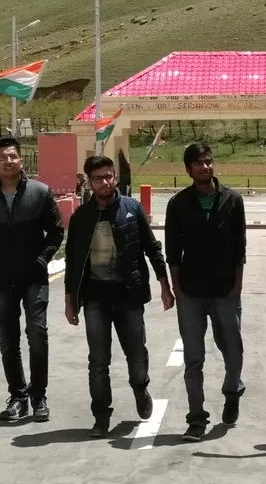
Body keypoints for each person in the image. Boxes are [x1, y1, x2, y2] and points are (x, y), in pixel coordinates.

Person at [63, 155, 175, 438]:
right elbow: (73, 261)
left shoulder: (132, 209)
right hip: (95, 299)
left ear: (115, 178)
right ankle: (101, 416)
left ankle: (140, 388)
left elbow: (152, 248)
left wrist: (164, 284)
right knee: (98, 361)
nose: (105, 182)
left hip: (129, 296)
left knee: (136, 355)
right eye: (99, 178)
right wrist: (70, 301)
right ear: (89, 182)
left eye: (109, 176)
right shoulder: (81, 217)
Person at [0, 137, 65, 422]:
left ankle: (39, 396)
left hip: (33, 277)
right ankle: (18, 397)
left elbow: (56, 232)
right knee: (8, 341)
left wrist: (41, 260)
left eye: (13, 156)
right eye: (3, 157)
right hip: (2, 279)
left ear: (21, 160)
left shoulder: (40, 192)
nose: (8, 161)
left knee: (37, 334)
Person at [165, 142, 247, 442]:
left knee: (233, 352)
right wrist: (176, 289)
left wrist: (237, 286)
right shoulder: (178, 204)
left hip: (226, 291)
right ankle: (196, 419)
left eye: (208, 161)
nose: (205, 167)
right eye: (198, 163)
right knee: (194, 359)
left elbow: (240, 247)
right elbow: (173, 251)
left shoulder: (233, 200)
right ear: (188, 169)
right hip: (192, 293)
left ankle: (232, 390)